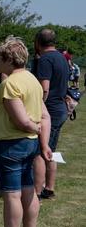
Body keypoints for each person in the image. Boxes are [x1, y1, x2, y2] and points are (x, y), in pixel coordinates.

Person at [0, 37, 51, 227]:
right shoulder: (32, 80)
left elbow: (21, 121)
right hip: (29, 144)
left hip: (10, 144)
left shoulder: (10, 84)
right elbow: (44, 115)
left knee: (12, 195)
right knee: (29, 191)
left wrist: (34, 127)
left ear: (7, 60)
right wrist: (42, 140)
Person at [32, 29, 70, 200]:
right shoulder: (62, 57)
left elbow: (44, 88)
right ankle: (49, 188)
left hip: (50, 109)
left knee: (41, 151)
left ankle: (37, 192)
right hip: (60, 107)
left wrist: (38, 106)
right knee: (50, 150)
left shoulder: (45, 59)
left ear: (38, 42)